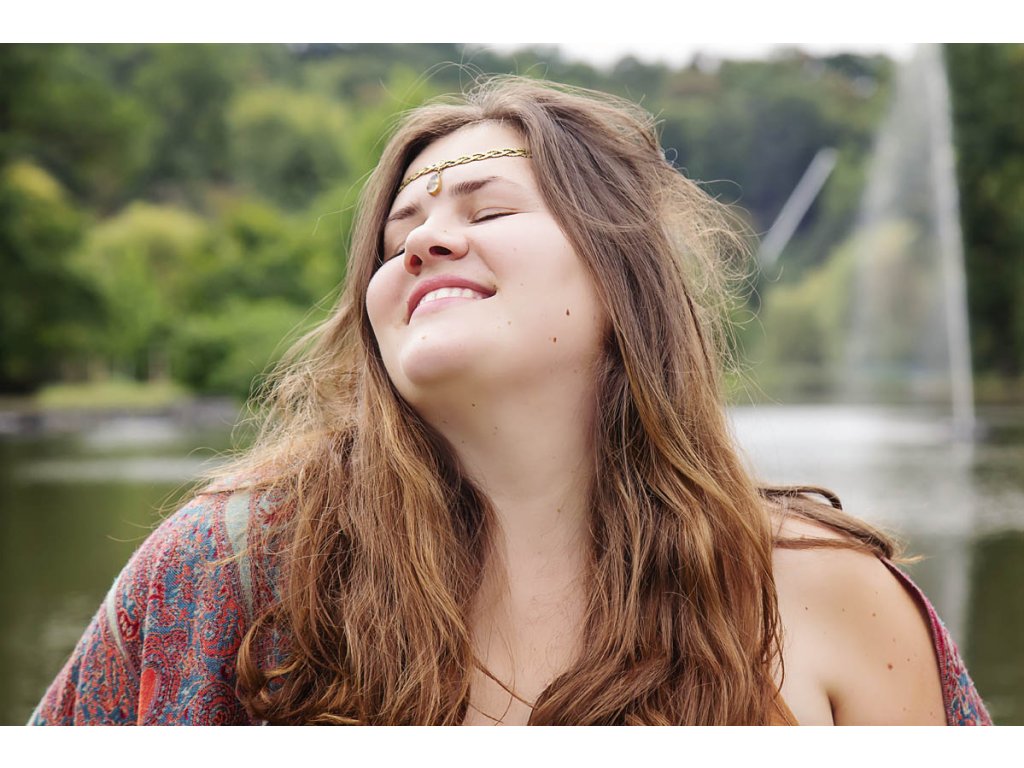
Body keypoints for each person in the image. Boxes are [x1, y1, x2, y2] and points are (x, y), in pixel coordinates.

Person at [31, 76, 990, 726]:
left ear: (623, 280)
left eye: (488, 209)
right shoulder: (226, 569)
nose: (425, 243)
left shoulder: (828, 594)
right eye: (397, 237)